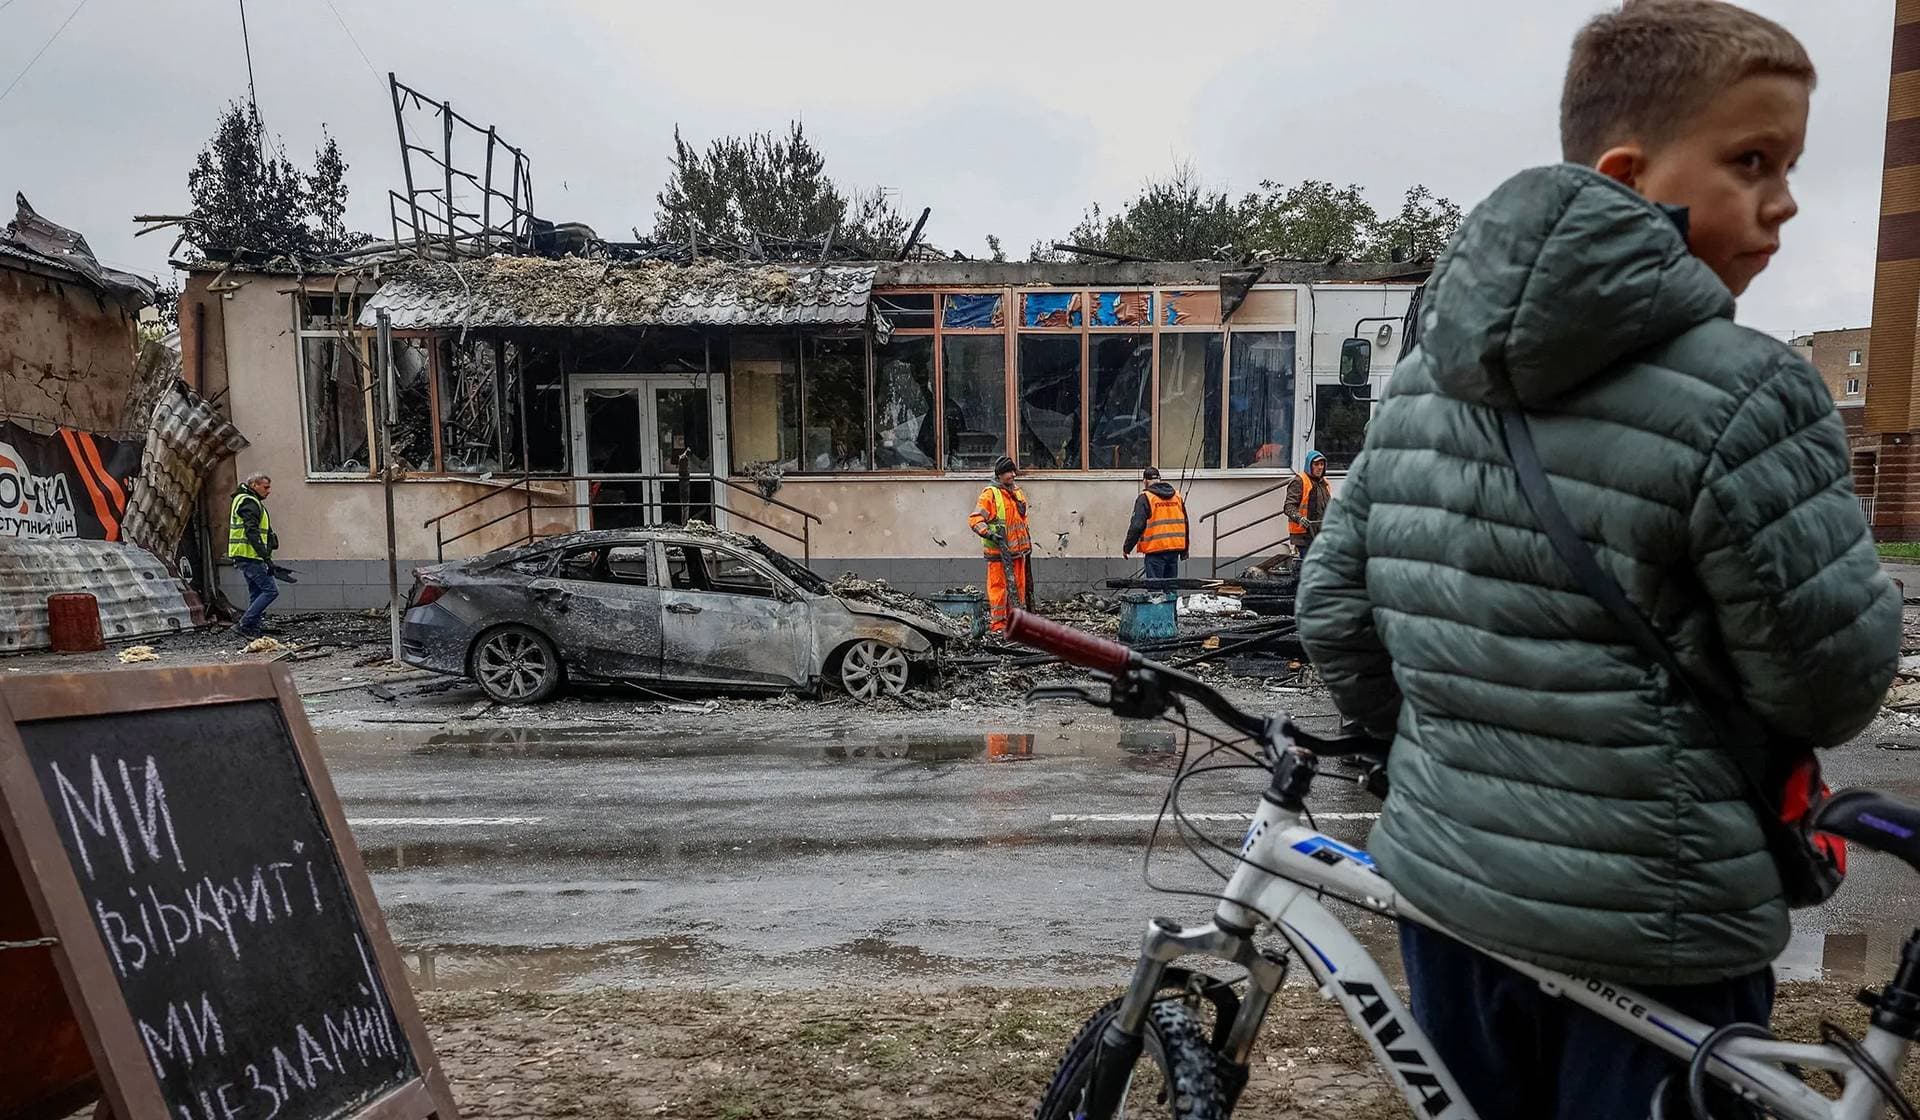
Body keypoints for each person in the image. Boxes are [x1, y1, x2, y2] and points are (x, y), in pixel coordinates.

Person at [1294, 5, 1900, 1118]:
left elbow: (1336, 609)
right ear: (1631, 177)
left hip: (1451, 908)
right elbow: (1832, 683)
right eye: (1752, 161)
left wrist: (1455, 763)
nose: (1787, 202)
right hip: (1657, 934)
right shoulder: (1753, 393)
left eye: (1793, 165)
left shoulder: (1430, 373)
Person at [968, 456, 1031, 632]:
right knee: (999, 590)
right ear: (999, 475)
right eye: (1009, 472)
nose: (1012, 475)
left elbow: (1022, 520)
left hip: (1017, 553)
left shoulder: (1016, 492)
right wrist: (989, 533)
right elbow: (975, 519)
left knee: (1018, 589)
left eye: (1013, 472)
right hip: (998, 555)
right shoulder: (990, 494)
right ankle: (998, 625)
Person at [228, 471, 281, 639]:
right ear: (254, 485)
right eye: (265, 487)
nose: (269, 491)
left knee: (256, 592)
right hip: (250, 556)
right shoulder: (249, 502)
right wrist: (266, 557)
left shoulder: (245, 500)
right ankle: (244, 624)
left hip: (244, 555)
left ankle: (252, 627)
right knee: (271, 590)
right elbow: (252, 531)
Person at [1122, 467, 1188, 582]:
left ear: (1145, 481)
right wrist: (1184, 551)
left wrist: (1127, 548)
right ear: (1160, 479)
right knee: (1171, 588)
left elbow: (1137, 525)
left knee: (1155, 590)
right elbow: (1185, 523)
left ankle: (1159, 599)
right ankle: (1171, 600)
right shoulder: (1177, 497)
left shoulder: (1146, 497)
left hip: (1155, 551)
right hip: (1174, 550)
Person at [1283, 449, 1329, 560]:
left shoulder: (1324, 483)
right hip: (1304, 534)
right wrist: (1300, 518)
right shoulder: (1299, 481)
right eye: (1316, 464)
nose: (1319, 467)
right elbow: (1288, 507)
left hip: (1320, 532)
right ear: (1309, 465)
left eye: (1322, 464)